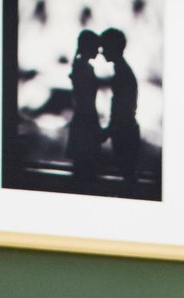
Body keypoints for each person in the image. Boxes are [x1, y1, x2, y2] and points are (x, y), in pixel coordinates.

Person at [100, 28, 140, 191]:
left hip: (124, 131)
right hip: (125, 129)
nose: (101, 52)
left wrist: (109, 130)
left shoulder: (122, 73)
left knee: (128, 176)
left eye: (104, 47)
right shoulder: (123, 71)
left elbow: (122, 108)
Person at [65, 30, 104, 190]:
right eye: (96, 47)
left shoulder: (81, 67)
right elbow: (86, 101)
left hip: (83, 120)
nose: (98, 51)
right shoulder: (84, 68)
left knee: (83, 168)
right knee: (86, 170)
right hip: (86, 121)